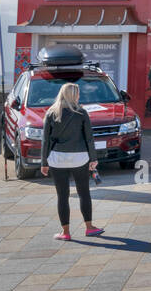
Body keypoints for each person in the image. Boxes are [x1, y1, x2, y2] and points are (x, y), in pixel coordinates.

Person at [40, 82, 103, 241]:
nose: (79, 96)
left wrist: (43, 163)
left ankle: (65, 232)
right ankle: (89, 228)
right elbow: (89, 137)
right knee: (84, 193)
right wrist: (93, 158)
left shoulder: (51, 113)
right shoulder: (81, 113)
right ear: (74, 95)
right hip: (79, 158)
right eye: (78, 93)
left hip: (57, 159)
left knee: (62, 196)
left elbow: (45, 141)